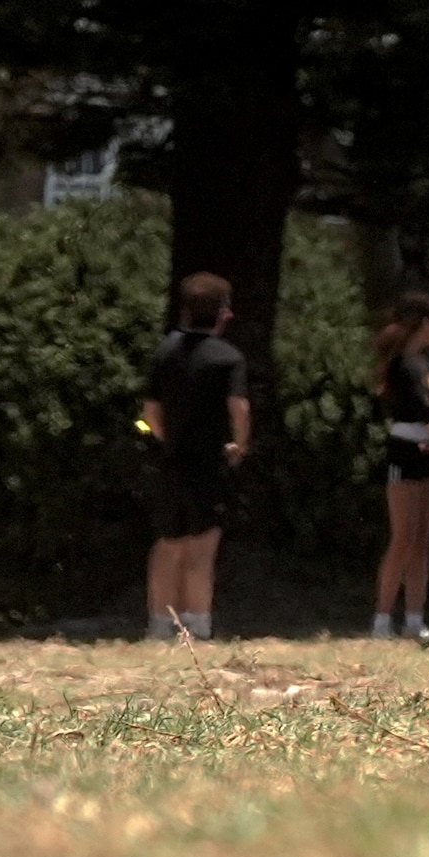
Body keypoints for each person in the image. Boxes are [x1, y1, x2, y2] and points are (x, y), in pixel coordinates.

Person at [143, 271, 252, 642]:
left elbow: (150, 412)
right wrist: (239, 443)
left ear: (186, 311)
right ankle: (198, 625)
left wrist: (168, 439)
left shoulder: (164, 352)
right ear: (223, 313)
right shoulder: (228, 357)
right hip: (210, 461)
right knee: (202, 546)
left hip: (171, 460)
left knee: (168, 544)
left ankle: (161, 625)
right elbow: (239, 408)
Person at [370, 294, 429, 642]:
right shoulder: (401, 364)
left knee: (422, 540)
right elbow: (419, 405)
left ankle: (415, 619)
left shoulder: (424, 363)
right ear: (425, 323)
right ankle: (382, 619)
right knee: (402, 537)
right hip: (405, 450)